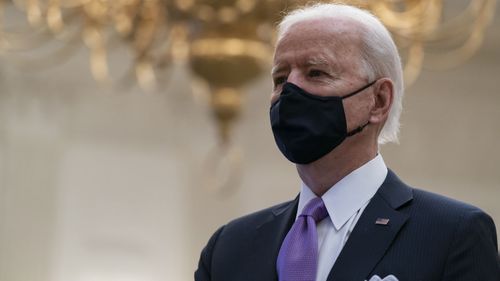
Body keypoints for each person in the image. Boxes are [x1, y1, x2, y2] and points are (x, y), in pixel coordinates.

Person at [194, 4, 500, 281]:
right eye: (279, 79)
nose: (290, 91)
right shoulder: (229, 249)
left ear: (378, 100)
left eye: (316, 73)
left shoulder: (451, 234)